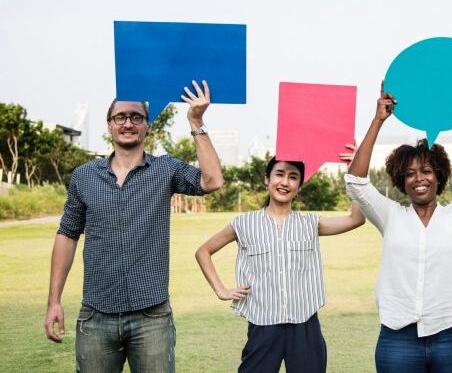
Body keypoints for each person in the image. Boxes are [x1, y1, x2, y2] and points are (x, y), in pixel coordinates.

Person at [44, 80, 224, 372]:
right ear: (109, 125)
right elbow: (67, 236)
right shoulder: (84, 177)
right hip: (96, 315)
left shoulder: (166, 169)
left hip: (151, 317)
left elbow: (212, 181)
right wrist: (54, 301)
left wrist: (196, 121)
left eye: (136, 117)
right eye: (120, 117)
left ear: (147, 126)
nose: (128, 123)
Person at [345, 83, 452, 373]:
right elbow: (355, 181)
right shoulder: (390, 215)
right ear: (401, 181)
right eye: (410, 174)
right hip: (397, 338)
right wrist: (378, 120)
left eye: (427, 171)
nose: (419, 179)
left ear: (439, 176)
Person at [196, 156, 365, 373]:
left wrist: (355, 171)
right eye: (279, 174)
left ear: (299, 187)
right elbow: (203, 251)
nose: (285, 182)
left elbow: (356, 219)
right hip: (263, 327)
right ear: (267, 179)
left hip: (305, 326)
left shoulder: (311, 224)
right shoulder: (244, 224)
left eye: (293, 177)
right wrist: (221, 289)